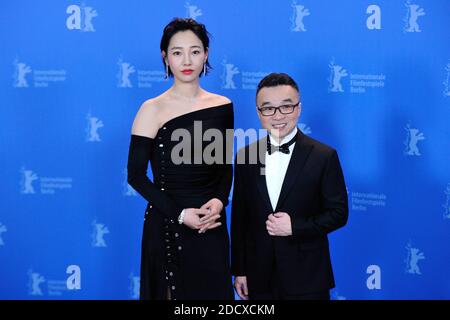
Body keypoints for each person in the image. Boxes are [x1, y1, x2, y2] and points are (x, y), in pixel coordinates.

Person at [127, 18, 234, 300]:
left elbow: (224, 166)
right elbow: (135, 176)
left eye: (195, 51)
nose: (187, 60)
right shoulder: (151, 109)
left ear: (206, 54)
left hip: (212, 224)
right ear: (165, 57)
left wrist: (220, 200)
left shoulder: (222, 106)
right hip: (168, 223)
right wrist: (180, 214)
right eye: (177, 52)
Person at [231, 73, 348, 300]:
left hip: (307, 276)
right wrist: (240, 270)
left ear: (298, 108)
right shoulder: (246, 155)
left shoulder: (324, 156)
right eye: (268, 109)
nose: (277, 116)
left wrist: (295, 226)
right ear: (258, 112)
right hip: (259, 276)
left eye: (286, 107)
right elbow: (240, 219)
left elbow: (339, 213)